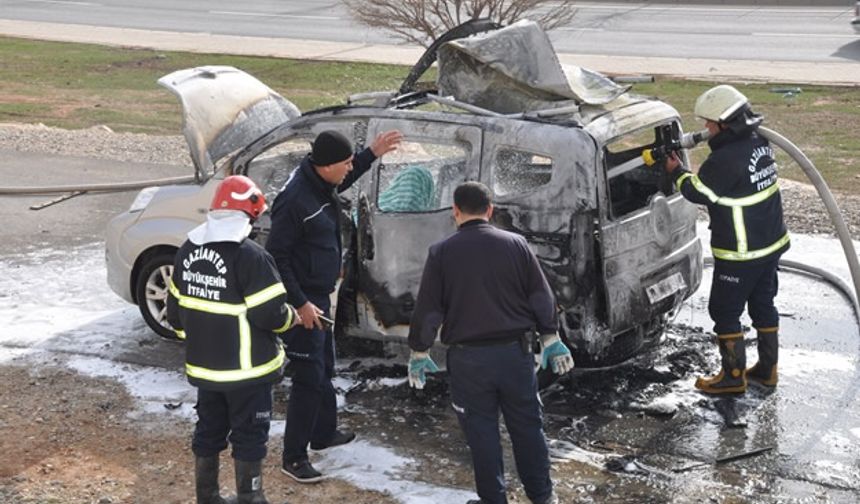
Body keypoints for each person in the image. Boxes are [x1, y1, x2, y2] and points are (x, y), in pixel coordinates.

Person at [407, 181, 573, 504]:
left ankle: (494, 500)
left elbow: (429, 309)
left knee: (482, 434)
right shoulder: (517, 244)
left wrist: (419, 349)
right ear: (490, 210)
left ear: (455, 211)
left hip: (470, 363)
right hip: (516, 356)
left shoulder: (441, 253)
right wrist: (551, 335)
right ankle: (543, 497)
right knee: (528, 428)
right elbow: (541, 295)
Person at [266, 128, 402, 482]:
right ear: (325, 165)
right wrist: (299, 304)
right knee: (308, 378)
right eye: (345, 163)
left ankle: (322, 434)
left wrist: (371, 154)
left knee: (324, 367)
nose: (349, 169)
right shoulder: (295, 199)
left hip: (321, 296)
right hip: (304, 303)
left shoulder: (321, 181)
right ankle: (293, 458)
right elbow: (276, 256)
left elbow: (346, 173)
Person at [166, 175, 301, 504]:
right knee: (250, 437)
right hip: (248, 374)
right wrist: (292, 319)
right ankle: (251, 498)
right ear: (249, 214)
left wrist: (201, 340)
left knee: (208, 432)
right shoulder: (251, 257)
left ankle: (208, 497)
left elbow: (174, 316)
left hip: (206, 372)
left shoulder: (187, 251)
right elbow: (270, 315)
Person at [664, 84, 789, 394]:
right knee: (763, 304)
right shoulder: (759, 143)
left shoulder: (724, 161)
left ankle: (733, 377)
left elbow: (697, 192)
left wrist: (676, 170)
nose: (705, 129)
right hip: (770, 245)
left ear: (724, 124)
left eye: (709, 123)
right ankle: (767, 370)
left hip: (741, 254)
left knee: (724, 311)